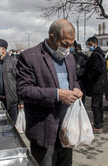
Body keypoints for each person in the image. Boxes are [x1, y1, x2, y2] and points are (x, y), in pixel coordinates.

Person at [16, 19, 83, 166]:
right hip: (44, 127)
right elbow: (24, 90)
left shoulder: (70, 57)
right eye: (65, 43)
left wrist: (77, 88)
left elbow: (73, 79)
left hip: (67, 126)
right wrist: (57, 94)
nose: (69, 48)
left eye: (71, 43)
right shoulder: (30, 56)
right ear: (52, 37)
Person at [0, 39, 22, 124]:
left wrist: (21, 101)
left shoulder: (14, 62)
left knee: (11, 128)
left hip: (11, 102)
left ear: (3, 50)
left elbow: (21, 82)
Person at [84, 36, 107, 134]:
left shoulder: (96, 54)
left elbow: (97, 70)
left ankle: (97, 125)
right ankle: (100, 122)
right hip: (100, 84)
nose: (89, 46)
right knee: (99, 105)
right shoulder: (100, 54)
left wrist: (89, 76)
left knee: (95, 106)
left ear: (95, 43)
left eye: (90, 44)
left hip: (96, 85)